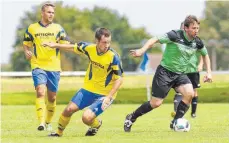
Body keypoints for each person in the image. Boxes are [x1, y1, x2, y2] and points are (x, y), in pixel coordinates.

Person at [124, 15, 212, 132]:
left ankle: (175, 121)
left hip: (180, 74)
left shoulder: (197, 42)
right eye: (193, 28)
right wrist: (141, 50)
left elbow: (205, 55)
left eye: (197, 28)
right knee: (156, 103)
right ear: (185, 28)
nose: (196, 31)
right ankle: (131, 117)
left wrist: (209, 72)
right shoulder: (174, 35)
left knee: (189, 93)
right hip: (164, 72)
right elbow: (154, 39)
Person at [42, 28, 123, 137]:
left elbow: (119, 79)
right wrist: (55, 45)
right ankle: (58, 133)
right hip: (88, 89)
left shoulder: (114, 57)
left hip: (104, 95)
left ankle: (96, 125)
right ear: (97, 41)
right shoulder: (89, 48)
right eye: (104, 42)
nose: (107, 45)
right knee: (68, 110)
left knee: (86, 118)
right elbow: (73, 47)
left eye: (109, 42)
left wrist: (108, 97)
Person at [23, 2, 70, 131]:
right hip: (38, 65)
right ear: (42, 13)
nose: (51, 15)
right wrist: (26, 51)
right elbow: (26, 43)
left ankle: (48, 122)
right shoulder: (32, 28)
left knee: (52, 97)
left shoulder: (58, 28)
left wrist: (55, 45)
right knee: (40, 91)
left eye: (53, 13)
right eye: (49, 12)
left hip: (54, 67)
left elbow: (66, 45)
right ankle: (41, 123)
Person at [171, 22, 204, 118]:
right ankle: (177, 112)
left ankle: (193, 113)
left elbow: (203, 53)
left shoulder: (195, 41)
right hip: (181, 70)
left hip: (193, 69)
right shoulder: (178, 41)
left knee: (194, 92)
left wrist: (201, 64)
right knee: (179, 91)